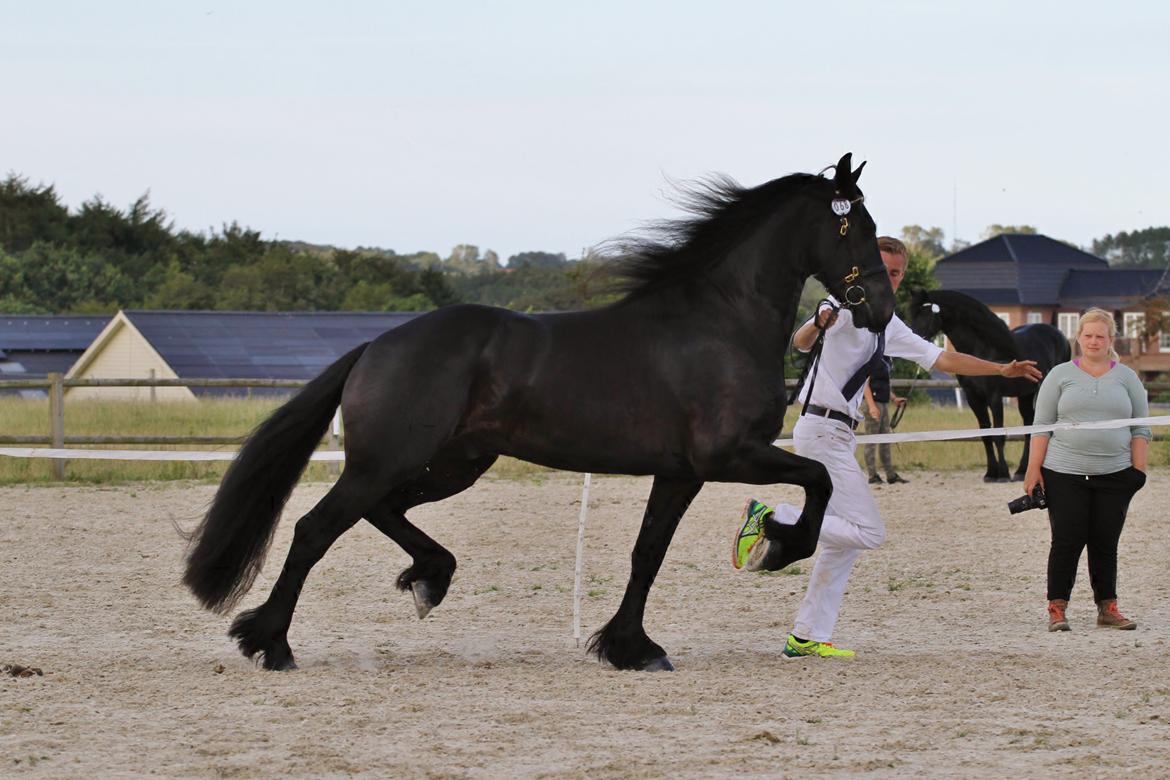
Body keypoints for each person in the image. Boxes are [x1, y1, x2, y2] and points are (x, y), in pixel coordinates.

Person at [732, 236, 1043, 659]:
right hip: (821, 429)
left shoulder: (889, 322)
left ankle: (806, 634)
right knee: (868, 532)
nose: (891, 278)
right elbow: (803, 342)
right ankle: (772, 517)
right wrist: (818, 321)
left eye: (897, 272)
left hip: (839, 433)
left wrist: (1002, 368)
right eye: (885, 269)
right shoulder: (843, 303)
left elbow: (941, 359)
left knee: (844, 546)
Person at [1022, 307, 1149, 632]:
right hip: (1064, 473)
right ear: (1078, 338)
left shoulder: (1127, 377)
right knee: (1066, 539)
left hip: (1116, 474)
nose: (1094, 341)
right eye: (1088, 335)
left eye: (1100, 336)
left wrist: (1138, 472)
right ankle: (1057, 607)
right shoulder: (1060, 375)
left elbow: (1141, 428)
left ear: (1110, 340)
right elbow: (1042, 426)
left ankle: (1107, 608)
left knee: (1105, 541)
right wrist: (1033, 469)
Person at [862, 358, 907, 484]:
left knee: (885, 439)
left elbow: (883, 384)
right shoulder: (871, 358)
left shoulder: (885, 360)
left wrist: (893, 398)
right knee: (871, 439)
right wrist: (871, 406)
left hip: (882, 402)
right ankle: (872, 475)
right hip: (873, 402)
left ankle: (890, 474)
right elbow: (865, 384)